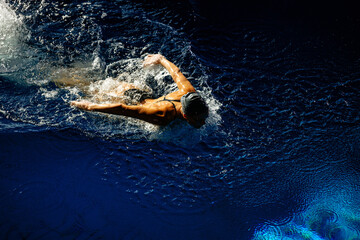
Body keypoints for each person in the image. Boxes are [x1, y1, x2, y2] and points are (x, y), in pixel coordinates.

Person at [71, 54, 209, 128]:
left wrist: (160, 59)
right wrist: (89, 106)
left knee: (89, 80)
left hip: (138, 92)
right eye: (199, 120)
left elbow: (176, 72)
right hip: (122, 97)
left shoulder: (189, 92)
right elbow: (122, 109)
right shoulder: (162, 116)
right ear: (185, 116)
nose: (203, 123)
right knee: (78, 84)